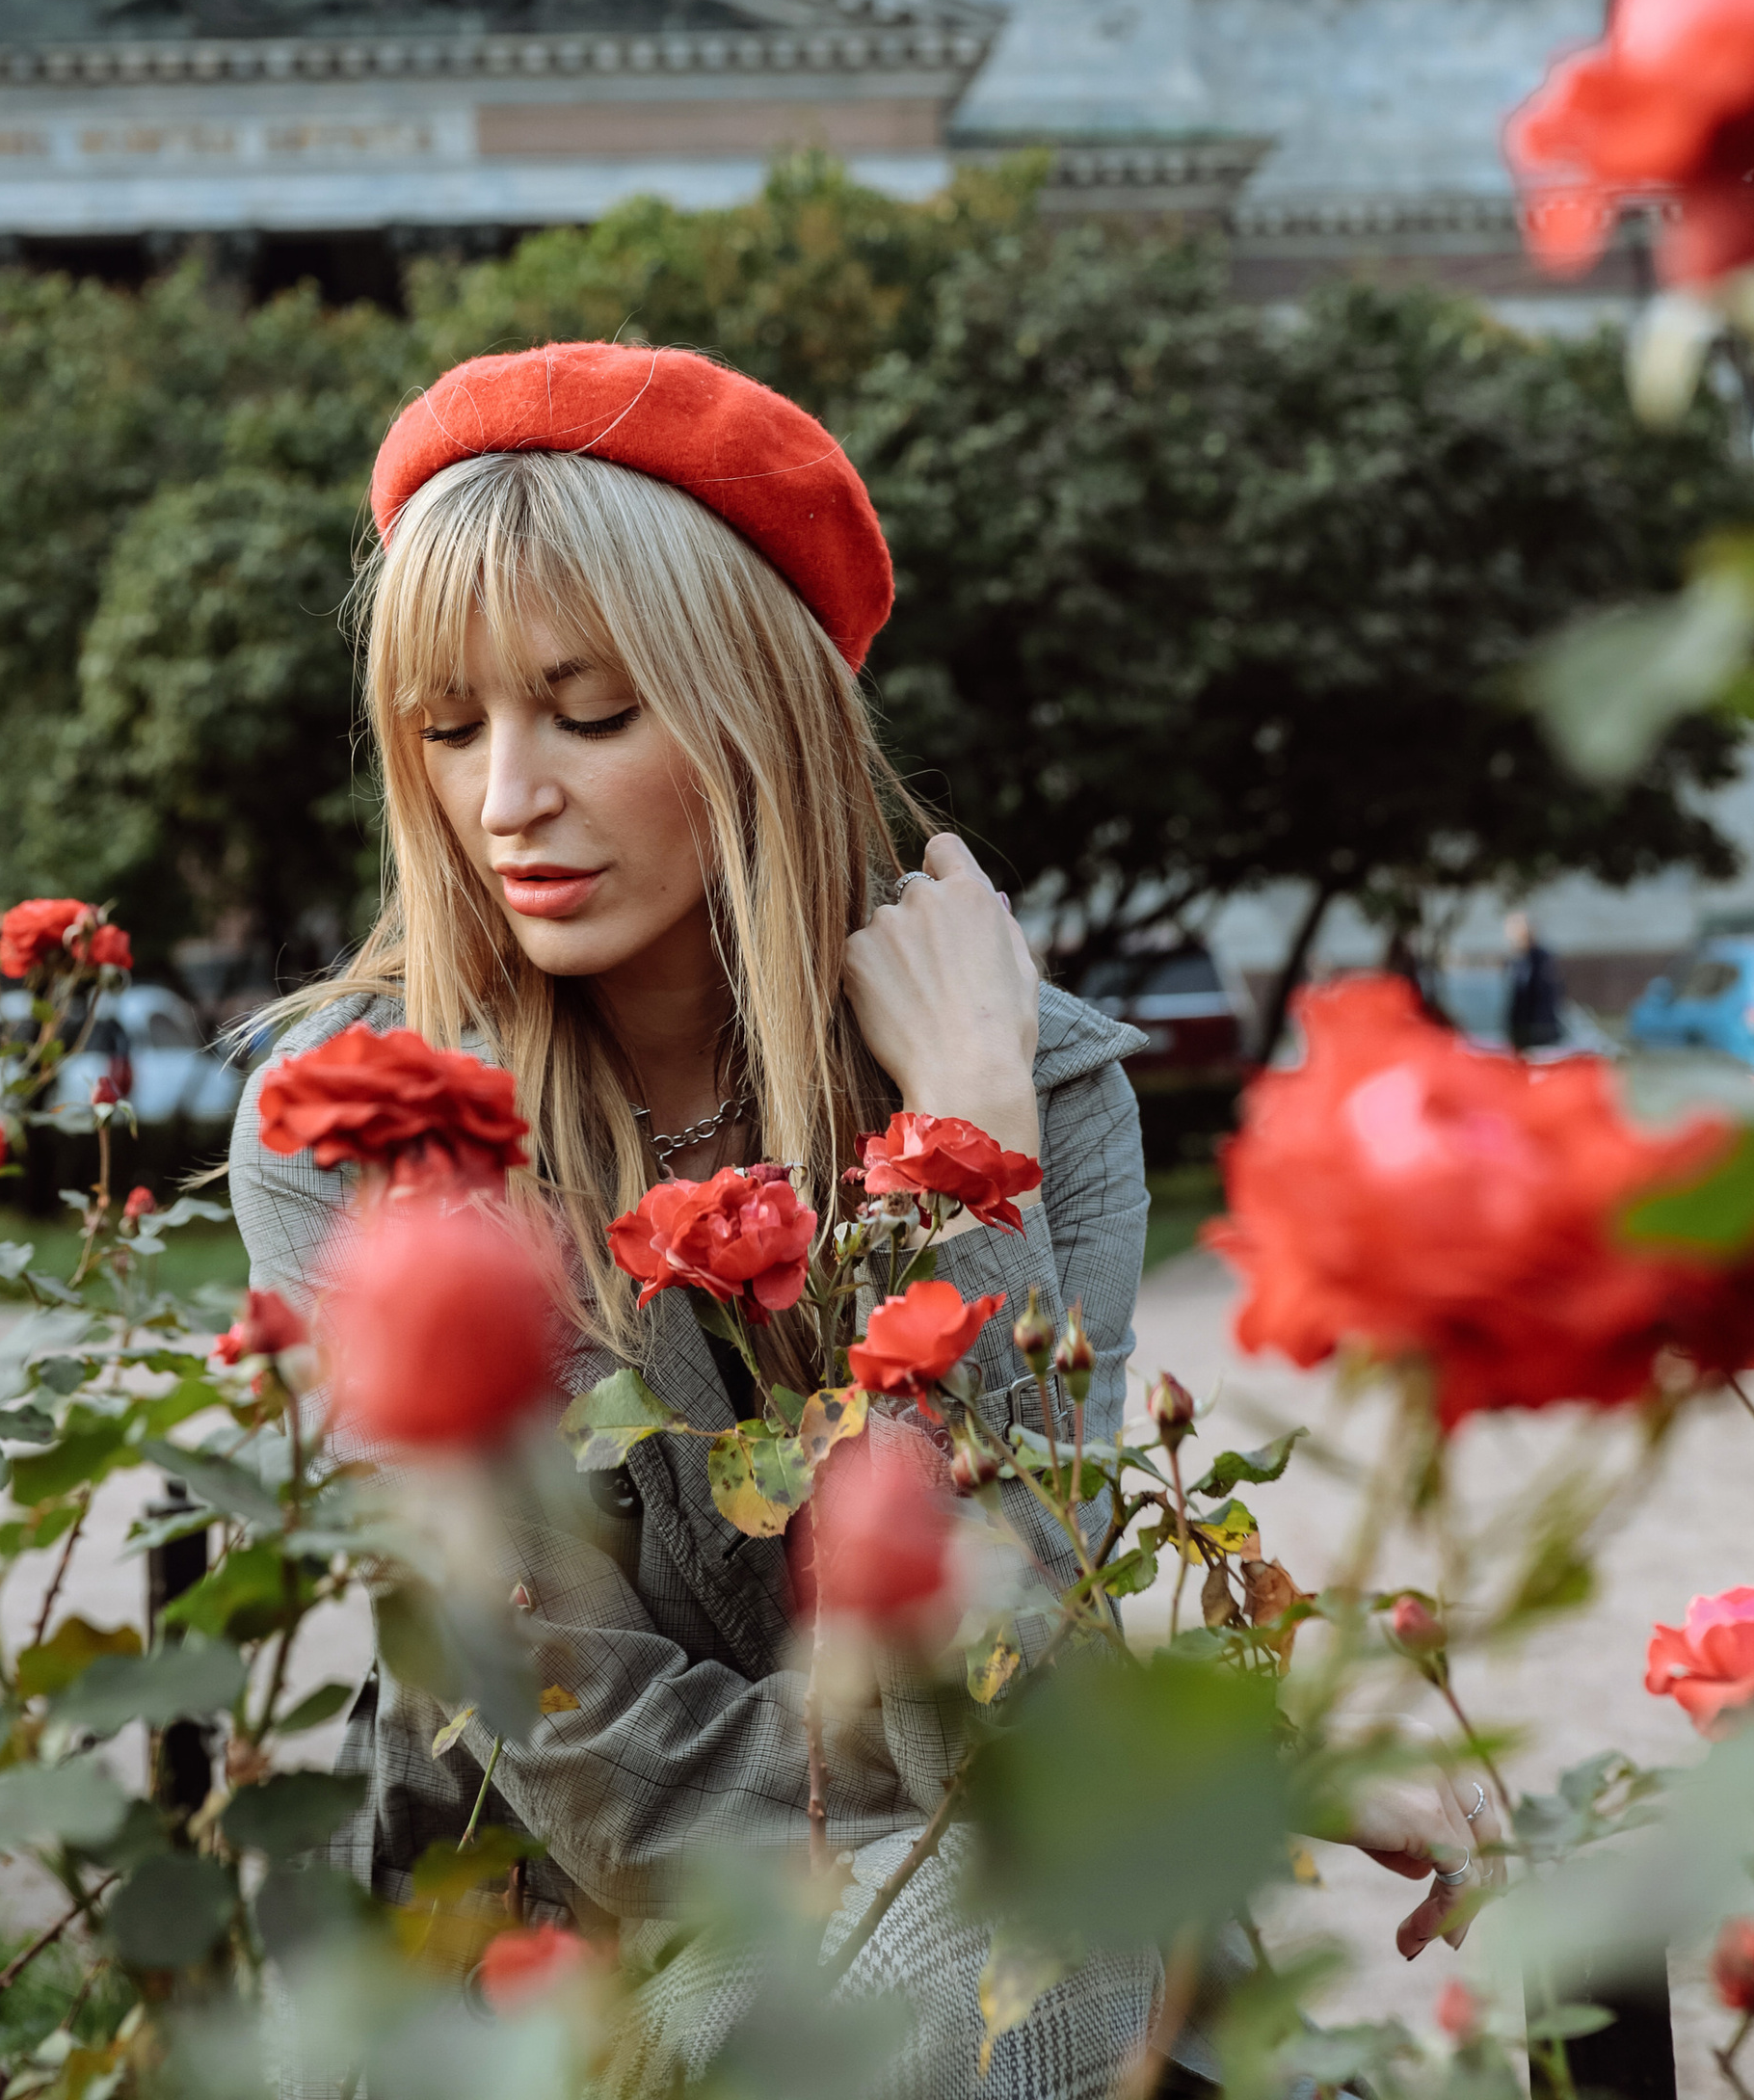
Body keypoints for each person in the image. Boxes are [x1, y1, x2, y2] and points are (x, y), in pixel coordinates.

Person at [230, 343, 1480, 2089]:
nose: (508, 798)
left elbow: (1009, 1664)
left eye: (591, 714)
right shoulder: (349, 1127)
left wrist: (969, 1139)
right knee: (1044, 1944)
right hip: (531, 1964)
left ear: (762, 707)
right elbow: (572, 1737)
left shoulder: (1041, 1084)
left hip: (980, 1909)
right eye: (450, 732)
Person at [1503, 908, 1567, 1056]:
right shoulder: (1518, 958)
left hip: (1538, 1029)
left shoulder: (1540, 959)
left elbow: (1547, 993)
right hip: (1522, 1028)